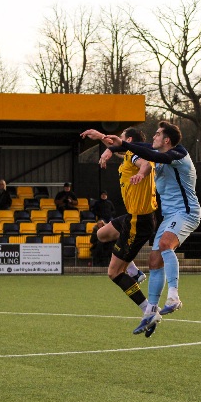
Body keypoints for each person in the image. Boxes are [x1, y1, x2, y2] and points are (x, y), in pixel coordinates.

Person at [101, 121, 201, 336]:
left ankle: (173, 296)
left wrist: (123, 147)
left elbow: (146, 154)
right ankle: (151, 311)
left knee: (165, 245)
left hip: (186, 212)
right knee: (154, 261)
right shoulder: (158, 152)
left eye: (157, 134)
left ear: (167, 140)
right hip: (169, 216)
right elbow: (140, 148)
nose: (153, 137)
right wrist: (111, 146)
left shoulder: (178, 154)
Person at [81, 127, 158, 334]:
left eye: (122, 138)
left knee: (114, 273)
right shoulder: (130, 154)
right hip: (132, 217)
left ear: (129, 140)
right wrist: (102, 140)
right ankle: (135, 272)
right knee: (102, 234)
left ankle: (149, 310)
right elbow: (118, 148)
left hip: (139, 221)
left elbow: (145, 165)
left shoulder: (135, 156)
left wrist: (141, 174)